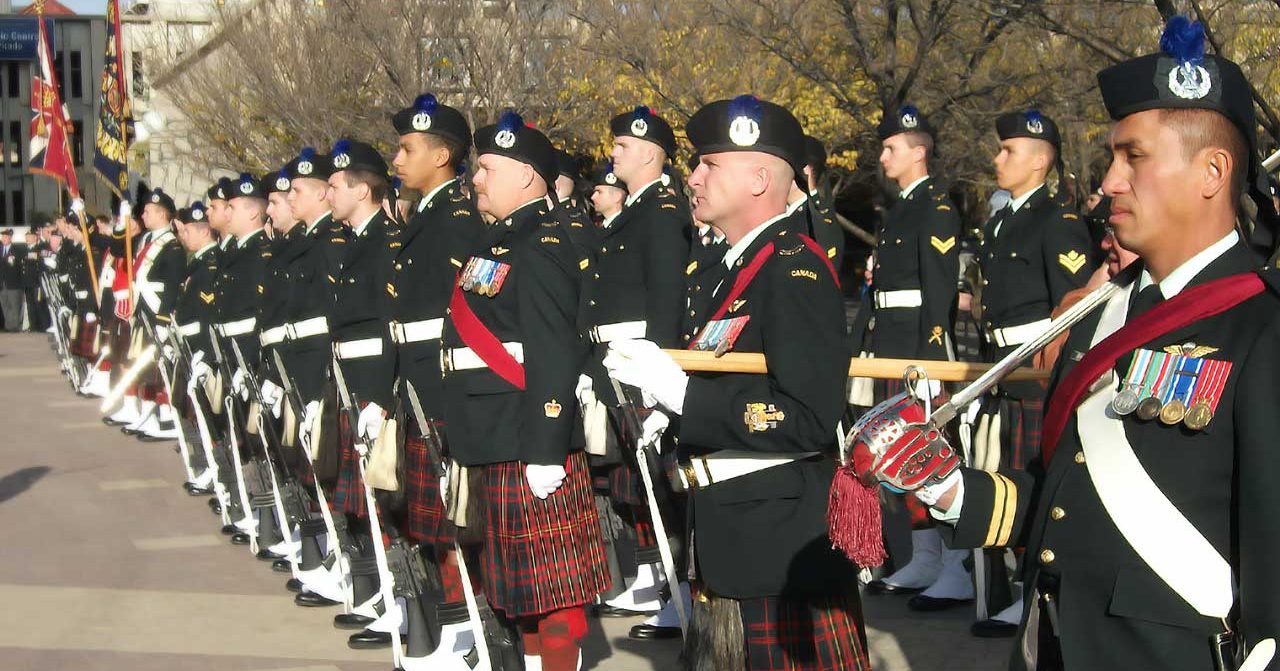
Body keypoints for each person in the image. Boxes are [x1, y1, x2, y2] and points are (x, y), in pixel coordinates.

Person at [865, 18, 1280, 670]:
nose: (1108, 180)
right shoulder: (1097, 320)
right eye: (1113, 156)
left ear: (1213, 172)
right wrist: (950, 489)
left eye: (1133, 157)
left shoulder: (1264, 327)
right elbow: (1058, 504)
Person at [603, 94, 868, 670]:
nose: (692, 176)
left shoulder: (792, 267)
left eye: (708, 164)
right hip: (735, 527)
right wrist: (671, 410)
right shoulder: (737, 266)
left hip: (777, 541)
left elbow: (808, 417)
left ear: (757, 178)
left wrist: (682, 394)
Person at [440, 111, 610, 671]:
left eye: (486, 168)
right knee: (520, 586)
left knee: (551, 585)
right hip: (495, 430)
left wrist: (544, 447)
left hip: (526, 433)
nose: (476, 180)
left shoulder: (542, 243)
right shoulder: (503, 241)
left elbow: (553, 350)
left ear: (527, 176)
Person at [967, 109, 1094, 634]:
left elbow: (1075, 303)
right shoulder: (1001, 219)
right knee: (994, 473)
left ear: (1040, 161)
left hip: (1034, 374)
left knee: (1030, 482)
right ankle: (997, 591)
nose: (998, 159)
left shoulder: (1056, 220)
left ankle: (1032, 595)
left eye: (1009, 150)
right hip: (1000, 370)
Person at [386, 92, 488, 665]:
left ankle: (465, 634)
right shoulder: (426, 215)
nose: (397, 160)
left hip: (441, 385)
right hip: (415, 379)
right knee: (429, 519)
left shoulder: (455, 219)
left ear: (442, 154)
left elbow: (464, 314)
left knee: (456, 517)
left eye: (407, 149)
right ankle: (447, 632)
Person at [583, 105, 691, 622]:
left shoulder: (663, 211)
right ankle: (652, 574)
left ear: (650, 153)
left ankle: (677, 588)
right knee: (633, 479)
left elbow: (667, 300)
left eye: (622, 146)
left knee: (659, 483)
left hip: (643, 362)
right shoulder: (633, 212)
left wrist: (660, 379)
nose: (613, 153)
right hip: (617, 362)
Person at [854, 105, 964, 606]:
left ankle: (954, 561)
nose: (883, 156)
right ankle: (924, 556)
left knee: (932, 454)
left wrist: (931, 359)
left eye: (891, 147)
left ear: (918, 153)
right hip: (893, 348)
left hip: (918, 349)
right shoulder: (901, 207)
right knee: (899, 454)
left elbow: (938, 289)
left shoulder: (935, 207)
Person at [0, 228, 24, 331]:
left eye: (6, 237)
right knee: (5, 305)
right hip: (2, 283)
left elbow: (18, 265)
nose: (3, 238)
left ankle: (15, 326)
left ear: (10, 237)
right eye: (2, 236)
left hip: (13, 283)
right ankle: (8, 325)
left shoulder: (17, 249)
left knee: (14, 305)